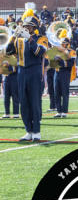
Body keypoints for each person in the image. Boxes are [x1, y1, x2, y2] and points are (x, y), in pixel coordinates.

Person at [6, 13, 45, 141]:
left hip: (34, 72)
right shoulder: (19, 40)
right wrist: (13, 37)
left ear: (34, 28)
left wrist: (30, 39)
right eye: (25, 26)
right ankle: (28, 130)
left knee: (34, 102)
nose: (26, 28)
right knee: (24, 102)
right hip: (21, 72)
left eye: (29, 26)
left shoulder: (40, 38)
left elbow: (39, 52)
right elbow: (7, 51)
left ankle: (36, 131)